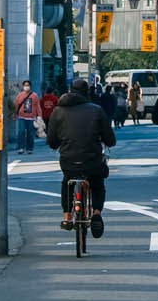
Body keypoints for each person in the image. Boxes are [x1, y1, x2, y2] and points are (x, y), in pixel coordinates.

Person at [46, 78, 115, 237]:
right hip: (92, 161)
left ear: (70, 91)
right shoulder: (96, 110)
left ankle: (66, 216)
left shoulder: (58, 111)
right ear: (87, 93)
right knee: (97, 182)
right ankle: (96, 213)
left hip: (68, 161)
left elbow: (51, 142)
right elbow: (110, 139)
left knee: (67, 182)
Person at [14, 79, 41, 154]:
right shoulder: (20, 95)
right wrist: (14, 115)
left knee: (30, 133)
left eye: (28, 85)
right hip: (21, 117)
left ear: (30, 86)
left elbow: (38, 106)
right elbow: (16, 105)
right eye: (25, 85)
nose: (26, 87)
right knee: (21, 132)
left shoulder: (34, 95)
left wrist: (39, 116)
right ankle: (21, 148)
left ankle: (29, 148)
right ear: (23, 86)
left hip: (31, 118)